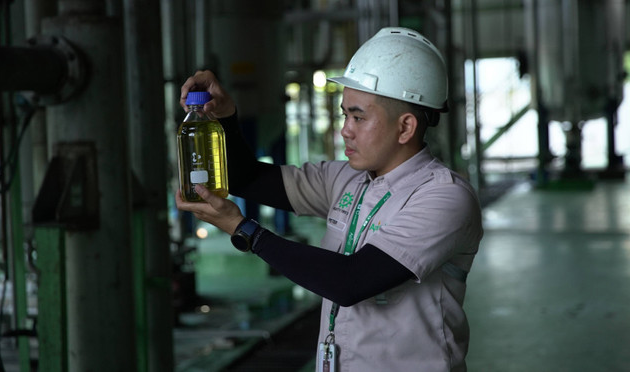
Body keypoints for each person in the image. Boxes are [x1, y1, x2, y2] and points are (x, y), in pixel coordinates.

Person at [175, 27, 483, 372]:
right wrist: (225, 116)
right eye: (344, 115)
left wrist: (243, 228)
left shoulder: (444, 197)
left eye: (358, 117)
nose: (345, 130)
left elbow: (350, 282)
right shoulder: (345, 178)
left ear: (406, 127)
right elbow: (248, 178)